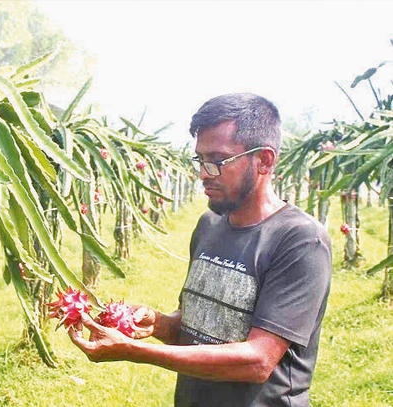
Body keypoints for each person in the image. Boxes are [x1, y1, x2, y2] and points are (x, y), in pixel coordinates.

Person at [69, 93, 332, 407]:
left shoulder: (300, 240)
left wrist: (135, 352)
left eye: (218, 161)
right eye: (200, 160)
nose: (205, 173)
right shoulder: (209, 226)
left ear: (264, 160)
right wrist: (161, 324)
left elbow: (258, 360)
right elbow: (197, 327)